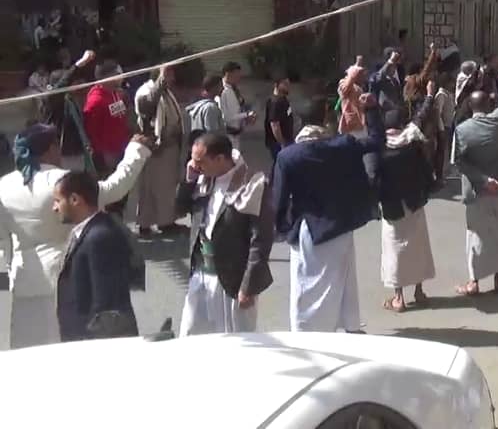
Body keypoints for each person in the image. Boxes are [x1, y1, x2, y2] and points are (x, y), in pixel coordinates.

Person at [0, 125, 150, 348]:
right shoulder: (62, 181)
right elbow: (115, 188)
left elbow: (3, 238)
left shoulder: (4, 185)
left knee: (29, 346)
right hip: (64, 274)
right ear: (51, 149)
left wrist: (10, 266)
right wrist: (136, 151)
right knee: (65, 343)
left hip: (24, 278)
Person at [273, 97, 384, 333]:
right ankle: (350, 326)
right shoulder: (343, 145)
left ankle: (305, 331)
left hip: (308, 230)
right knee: (344, 278)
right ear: (325, 117)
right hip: (340, 225)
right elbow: (377, 141)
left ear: (299, 121)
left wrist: (284, 229)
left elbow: (279, 200)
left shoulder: (288, 156)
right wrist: (371, 109)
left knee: (306, 286)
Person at [176, 133, 273, 335]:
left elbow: (260, 239)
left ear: (220, 159)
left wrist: (248, 286)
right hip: (201, 272)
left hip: (233, 279)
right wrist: (188, 180)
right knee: (191, 333)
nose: (195, 166)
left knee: (236, 339)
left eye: (201, 161)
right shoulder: (201, 179)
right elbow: (179, 209)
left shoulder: (252, 183)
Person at [453, 64, 498, 295]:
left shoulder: (462, 130)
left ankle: (474, 282)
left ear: (471, 107)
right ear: (489, 105)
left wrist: (483, 180)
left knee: (476, 235)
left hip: (477, 190)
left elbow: (459, 162)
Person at [53, 171, 138, 342]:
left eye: (58, 201)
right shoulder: (90, 231)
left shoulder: (100, 237)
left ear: (75, 199)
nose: (54, 208)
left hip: (95, 342)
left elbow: (107, 304)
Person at [378, 82, 438, 312]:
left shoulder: (380, 149)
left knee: (394, 250)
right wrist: (429, 95)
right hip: (414, 202)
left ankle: (399, 298)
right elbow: (421, 118)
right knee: (418, 245)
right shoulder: (411, 141)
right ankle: (419, 291)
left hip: (392, 206)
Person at [134, 66, 189, 237]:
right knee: (152, 187)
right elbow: (148, 107)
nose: (172, 79)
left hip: (169, 146)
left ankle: (164, 220)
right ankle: (155, 223)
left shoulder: (166, 92)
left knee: (165, 187)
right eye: (169, 75)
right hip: (157, 147)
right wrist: (161, 80)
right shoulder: (146, 91)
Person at [82, 59, 132, 176]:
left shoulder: (116, 93)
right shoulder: (95, 102)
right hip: (108, 156)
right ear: (107, 77)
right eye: (117, 74)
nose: (121, 77)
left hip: (122, 148)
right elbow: (91, 132)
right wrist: (101, 157)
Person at [219, 61, 255, 147]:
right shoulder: (221, 91)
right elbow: (225, 117)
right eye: (236, 75)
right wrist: (246, 115)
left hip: (236, 133)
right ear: (228, 74)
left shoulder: (234, 89)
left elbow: (239, 107)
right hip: (227, 134)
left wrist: (247, 117)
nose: (239, 78)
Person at [264, 73, 294, 164]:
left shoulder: (283, 99)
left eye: (288, 84)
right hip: (277, 143)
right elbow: (275, 125)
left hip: (287, 140)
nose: (288, 86)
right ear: (276, 85)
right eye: (285, 84)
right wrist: (282, 143)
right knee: (280, 165)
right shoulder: (275, 102)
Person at [187, 74, 226, 139]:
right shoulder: (211, 107)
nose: (223, 88)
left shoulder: (199, 105)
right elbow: (212, 133)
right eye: (220, 86)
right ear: (214, 87)